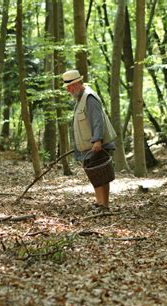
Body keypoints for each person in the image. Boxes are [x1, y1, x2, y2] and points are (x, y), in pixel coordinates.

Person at [62, 69, 117, 210]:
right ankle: (101, 204)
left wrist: (97, 140)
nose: (68, 90)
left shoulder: (89, 98)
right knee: (97, 176)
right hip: (91, 146)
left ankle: (103, 204)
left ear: (77, 84)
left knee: (100, 176)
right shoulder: (81, 99)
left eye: (69, 87)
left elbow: (97, 121)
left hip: (97, 145)